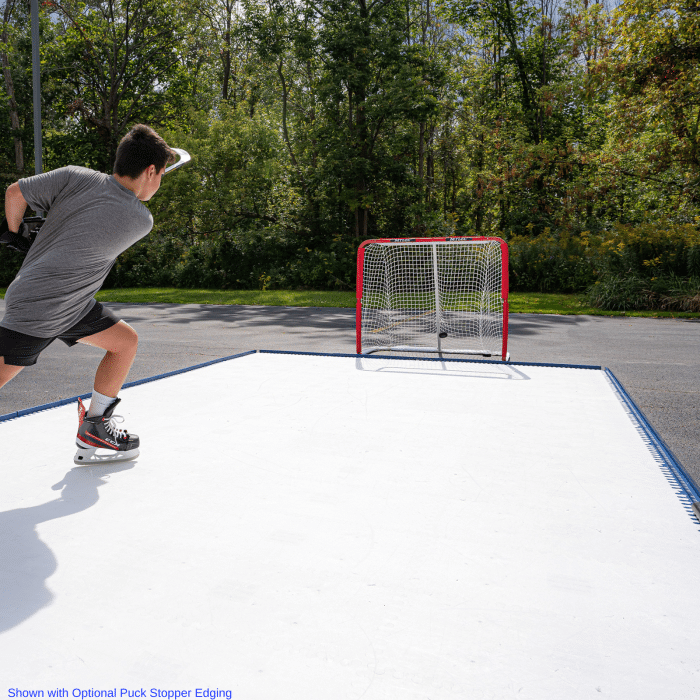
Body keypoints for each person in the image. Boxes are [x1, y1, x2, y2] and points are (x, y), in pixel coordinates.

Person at [0, 124, 177, 465]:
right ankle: (96, 425)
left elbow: (14, 194)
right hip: (44, 305)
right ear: (151, 171)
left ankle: (96, 426)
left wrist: (17, 235)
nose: (159, 183)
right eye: (161, 175)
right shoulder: (140, 219)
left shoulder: (74, 176)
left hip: (70, 302)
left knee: (124, 342)